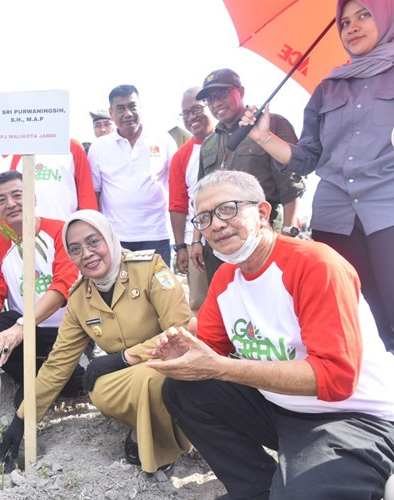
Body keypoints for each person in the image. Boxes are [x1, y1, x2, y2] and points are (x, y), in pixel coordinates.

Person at [151, 170, 394, 498]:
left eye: (228, 209)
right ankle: (256, 490)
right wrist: (181, 352)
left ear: (263, 213)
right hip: (280, 406)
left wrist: (221, 367)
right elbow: (208, 348)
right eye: (204, 218)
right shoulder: (226, 278)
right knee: (183, 389)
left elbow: (337, 379)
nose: (216, 224)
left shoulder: (315, 265)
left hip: (353, 417)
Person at [240, 0, 394, 352]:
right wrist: (264, 136)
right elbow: (307, 157)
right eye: (344, 21)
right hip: (336, 216)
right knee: (353, 315)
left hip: (388, 210)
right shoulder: (328, 88)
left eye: (364, 16)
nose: (351, 27)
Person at [0, 210, 193, 477]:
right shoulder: (80, 297)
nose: (87, 254)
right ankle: (154, 427)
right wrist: (21, 420)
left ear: (110, 239)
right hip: (131, 378)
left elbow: (181, 329)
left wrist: (123, 358)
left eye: (94, 242)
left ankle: (159, 442)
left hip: (171, 366)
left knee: (153, 379)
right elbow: (57, 365)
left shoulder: (149, 268)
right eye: (75, 249)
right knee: (99, 389)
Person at [0, 170, 85, 403]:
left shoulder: (62, 232)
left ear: (33, 198)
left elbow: (63, 288)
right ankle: (39, 379)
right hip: (24, 331)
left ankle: (53, 377)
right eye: (2, 200)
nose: (10, 204)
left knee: (74, 385)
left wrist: (23, 324)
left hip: (66, 329)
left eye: (17, 195)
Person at [193, 68, 305, 284]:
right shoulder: (208, 143)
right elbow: (200, 197)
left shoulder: (270, 125)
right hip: (219, 242)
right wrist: (196, 241)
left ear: (240, 91)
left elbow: (292, 186)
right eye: (210, 99)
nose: (216, 103)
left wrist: (289, 234)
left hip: (261, 235)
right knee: (227, 305)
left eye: (222, 94)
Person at [87, 84, 176, 265]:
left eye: (132, 106)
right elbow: (95, 192)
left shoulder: (163, 140)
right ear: (112, 113)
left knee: (159, 291)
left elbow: (177, 186)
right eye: (121, 108)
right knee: (119, 292)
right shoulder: (99, 147)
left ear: (140, 108)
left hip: (157, 234)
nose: (128, 113)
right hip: (116, 237)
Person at [168, 87, 214, 314]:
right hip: (195, 241)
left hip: (232, 236)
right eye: (185, 113)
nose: (191, 117)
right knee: (199, 304)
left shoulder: (234, 140)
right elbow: (177, 205)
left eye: (196, 109)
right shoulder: (181, 156)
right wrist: (180, 247)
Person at [0, 138, 98, 221]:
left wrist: (91, 224)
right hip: (28, 232)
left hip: (65, 230)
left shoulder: (72, 147)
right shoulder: (19, 150)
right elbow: (7, 191)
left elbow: (85, 194)